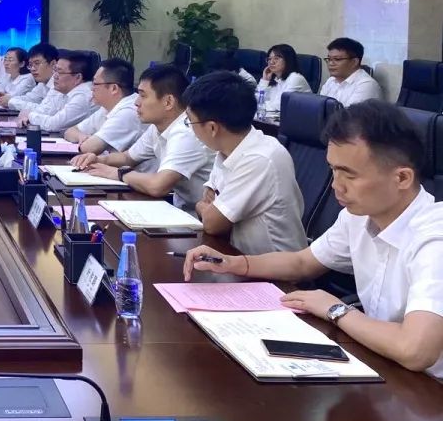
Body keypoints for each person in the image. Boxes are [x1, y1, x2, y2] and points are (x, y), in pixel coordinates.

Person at [182, 101, 443, 379]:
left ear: (402, 178)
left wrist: (335, 309)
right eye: (333, 170)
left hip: (429, 389)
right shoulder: (358, 216)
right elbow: (302, 262)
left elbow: (415, 350)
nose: (336, 185)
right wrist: (235, 263)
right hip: (385, 366)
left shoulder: (434, 239)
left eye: (349, 174)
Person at [182, 71, 308, 254]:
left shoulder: (260, 159)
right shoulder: (227, 148)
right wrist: (207, 208)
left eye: (190, 121)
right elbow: (208, 200)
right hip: (236, 255)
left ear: (212, 128)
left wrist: (200, 207)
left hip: (277, 269)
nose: (189, 128)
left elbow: (212, 223)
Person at [72, 64, 215, 208]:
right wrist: (99, 159)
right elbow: (128, 157)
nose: (136, 102)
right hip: (180, 209)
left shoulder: (186, 133)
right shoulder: (158, 126)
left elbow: (158, 186)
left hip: (198, 216)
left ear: (168, 102)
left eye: (143, 95)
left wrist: (119, 173)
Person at [64, 58, 143, 155]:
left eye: (95, 84)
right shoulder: (106, 107)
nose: (91, 88)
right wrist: (81, 136)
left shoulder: (129, 112)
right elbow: (69, 131)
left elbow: (90, 148)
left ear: (114, 88)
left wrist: (86, 141)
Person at [18, 52, 97, 132]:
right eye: (55, 70)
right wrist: (29, 114)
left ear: (78, 77)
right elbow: (45, 110)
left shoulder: (83, 95)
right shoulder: (62, 88)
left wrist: (29, 115)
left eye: (59, 72)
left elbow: (54, 124)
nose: (54, 76)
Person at [319, 37, 383, 105]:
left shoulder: (366, 85)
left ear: (354, 62)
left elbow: (351, 112)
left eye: (337, 59)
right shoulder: (331, 80)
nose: (330, 63)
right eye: (329, 59)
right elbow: (320, 106)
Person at [0, 43, 58, 111]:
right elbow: (29, 98)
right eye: (30, 65)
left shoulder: (59, 84)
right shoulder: (42, 84)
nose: (33, 69)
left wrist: (11, 101)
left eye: (37, 63)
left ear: (53, 64)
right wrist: (8, 98)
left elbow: (45, 110)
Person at [257, 44, 312, 112]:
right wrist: (265, 80)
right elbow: (258, 99)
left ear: (288, 60)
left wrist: (259, 105)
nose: (271, 62)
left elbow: (278, 106)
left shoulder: (295, 78)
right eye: (269, 59)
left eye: (276, 58)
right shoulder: (275, 79)